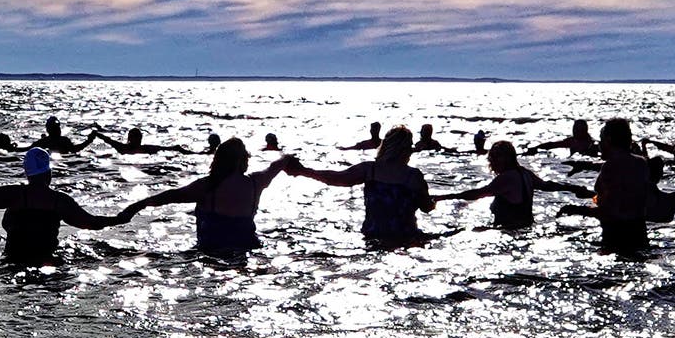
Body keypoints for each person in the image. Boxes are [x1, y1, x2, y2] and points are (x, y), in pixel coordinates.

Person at [0, 148, 123, 264]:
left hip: (12, 262)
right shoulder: (59, 200)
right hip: (47, 262)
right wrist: (130, 212)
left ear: (27, 172)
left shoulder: (14, 195)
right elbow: (94, 223)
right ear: (48, 173)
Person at [116, 139, 295, 253]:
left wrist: (135, 207)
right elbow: (276, 165)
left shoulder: (207, 186)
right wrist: (289, 159)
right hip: (249, 248)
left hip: (212, 252)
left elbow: (170, 196)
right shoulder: (256, 182)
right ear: (241, 161)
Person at [580, 118, 675, 252]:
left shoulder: (610, 167)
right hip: (639, 233)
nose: (599, 144)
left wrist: (578, 210)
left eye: (601, 139)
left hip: (616, 235)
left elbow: (612, 208)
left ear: (609, 140)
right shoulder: (641, 164)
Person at [283, 126, 434, 244]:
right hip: (406, 237)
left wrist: (304, 171)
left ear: (385, 146)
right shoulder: (413, 176)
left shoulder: (370, 169)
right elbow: (426, 207)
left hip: (372, 236)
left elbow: (335, 178)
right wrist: (432, 203)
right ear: (405, 149)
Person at [435, 141, 586, 229]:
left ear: (506, 158)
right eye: (490, 159)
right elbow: (548, 185)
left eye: (494, 158)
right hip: (526, 227)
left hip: (510, 231)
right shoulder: (525, 173)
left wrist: (445, 197)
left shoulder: (507, 178)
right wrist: (573, 188)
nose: (491, 162)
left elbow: (478, 194)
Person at [97, 127, 185, 155]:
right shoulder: (121, 147)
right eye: (135, 137)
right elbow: (107, 140)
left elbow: (169, 148)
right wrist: (96, 134)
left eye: (138, 137)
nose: (137, 139)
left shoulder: (147, 148)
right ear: (130, 139)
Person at [534, 119, 598, 156]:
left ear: (585, 130)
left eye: (579, 129)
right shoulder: (571, 141)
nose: (575, 131)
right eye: (575, 129)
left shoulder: (592, 144)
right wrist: (536, 148)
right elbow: (553, 145)